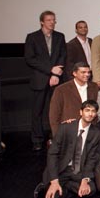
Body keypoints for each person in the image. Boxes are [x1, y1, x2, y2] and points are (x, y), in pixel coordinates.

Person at [34, 100, 100, 198]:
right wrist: (55, 181)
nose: (90, 113)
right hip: (62, 170)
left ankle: (66, 187)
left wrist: (84, 180)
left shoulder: (96, 133)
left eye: (93, 111)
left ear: (96, 114)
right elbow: (52, 154)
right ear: (80, 112)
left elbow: (92, 158)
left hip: (78, 172)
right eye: (87, 110)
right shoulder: (66, 127)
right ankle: (57, 186)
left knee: (91, 190)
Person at [24, 10, 67, 150]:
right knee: (37, 111)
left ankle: (54, 137)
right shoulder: (32, 37)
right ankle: (37, 139)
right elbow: (30, 59)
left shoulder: (60, 37)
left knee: (55, 110)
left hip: (56, 79)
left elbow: (62, 55)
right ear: (42, 21)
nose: (52, 22)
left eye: (54, 20)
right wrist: (50, 70)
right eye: (49, 20)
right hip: (39, 79)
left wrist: (56, 75)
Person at [48, 62, 99, 138]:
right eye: (83, 72)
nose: (87, 74)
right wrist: (57, 136)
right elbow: (54, 115)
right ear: (74, 73)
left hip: (90, 131)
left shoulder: (94, 87)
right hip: (69, 132)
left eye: (88, 72)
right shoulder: (61, 89)